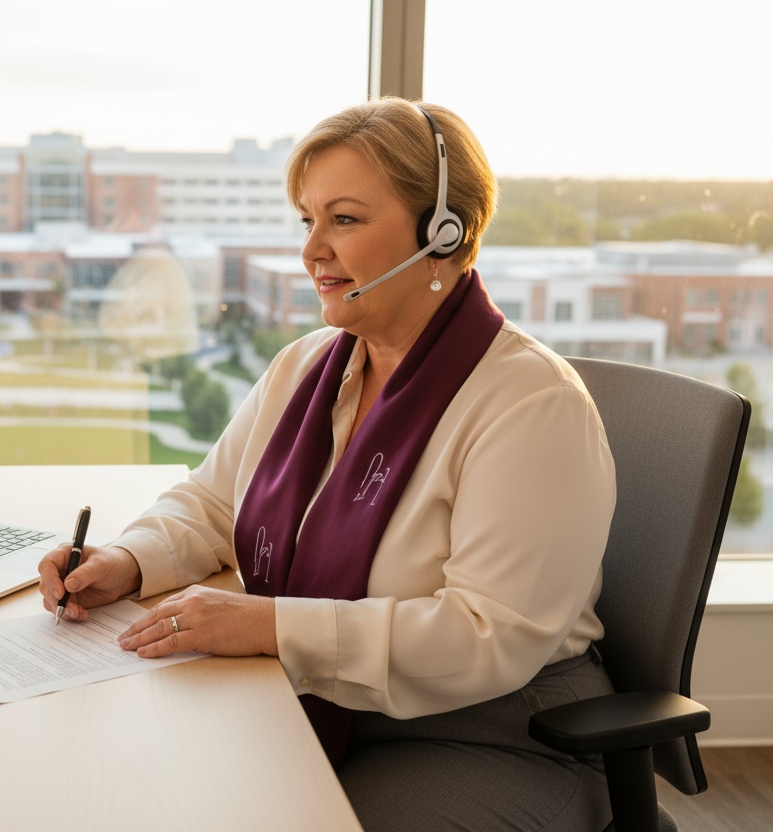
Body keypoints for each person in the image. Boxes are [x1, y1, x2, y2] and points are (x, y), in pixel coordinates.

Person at [37, 97, 616, 831]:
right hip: (319, 696)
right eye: (307, 220)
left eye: (344, 220)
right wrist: (126, 560)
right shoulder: (308, 366)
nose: (313, 250)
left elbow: (485, 637)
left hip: (496, 730)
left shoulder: (531, 405)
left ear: (443, 231)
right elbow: (214, 505)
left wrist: (272, 628)